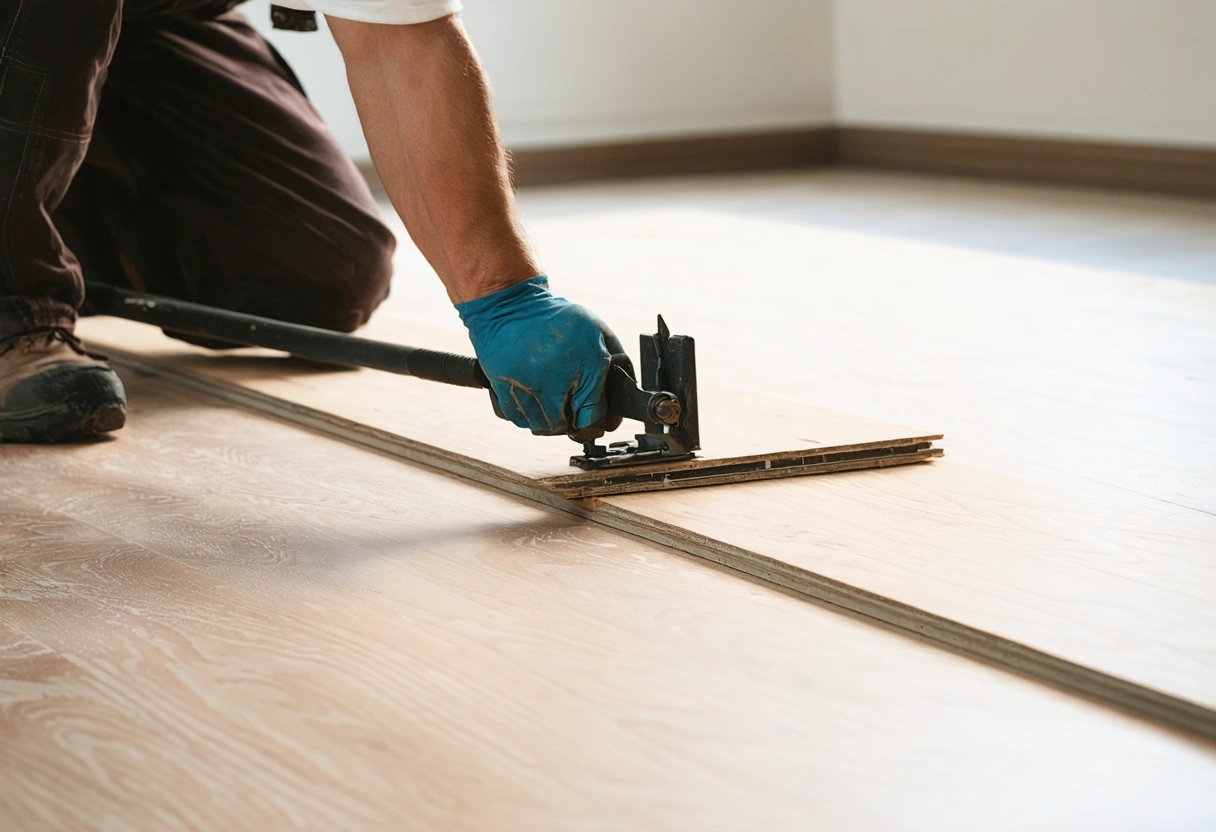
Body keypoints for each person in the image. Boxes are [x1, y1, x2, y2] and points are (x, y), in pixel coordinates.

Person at [0, 0, 620, 443]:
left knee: (312, 277)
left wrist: (505, 298)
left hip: (138, 23)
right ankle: (15, 310)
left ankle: (36, 230)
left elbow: (395, 42)